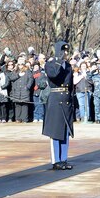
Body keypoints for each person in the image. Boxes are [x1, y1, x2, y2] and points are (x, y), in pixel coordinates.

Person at [41, 41, 75, 170]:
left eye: (66, 51)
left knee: (65, 131)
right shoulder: (50, 64)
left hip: (66, 100)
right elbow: (54, 75)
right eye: (63, 51)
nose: (65, 53)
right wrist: (58, 61)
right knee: (56, 132)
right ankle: (56, 161)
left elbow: (70, 85)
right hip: (55, 99)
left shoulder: (67, 66)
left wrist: (72, 101)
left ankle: (64, 159)